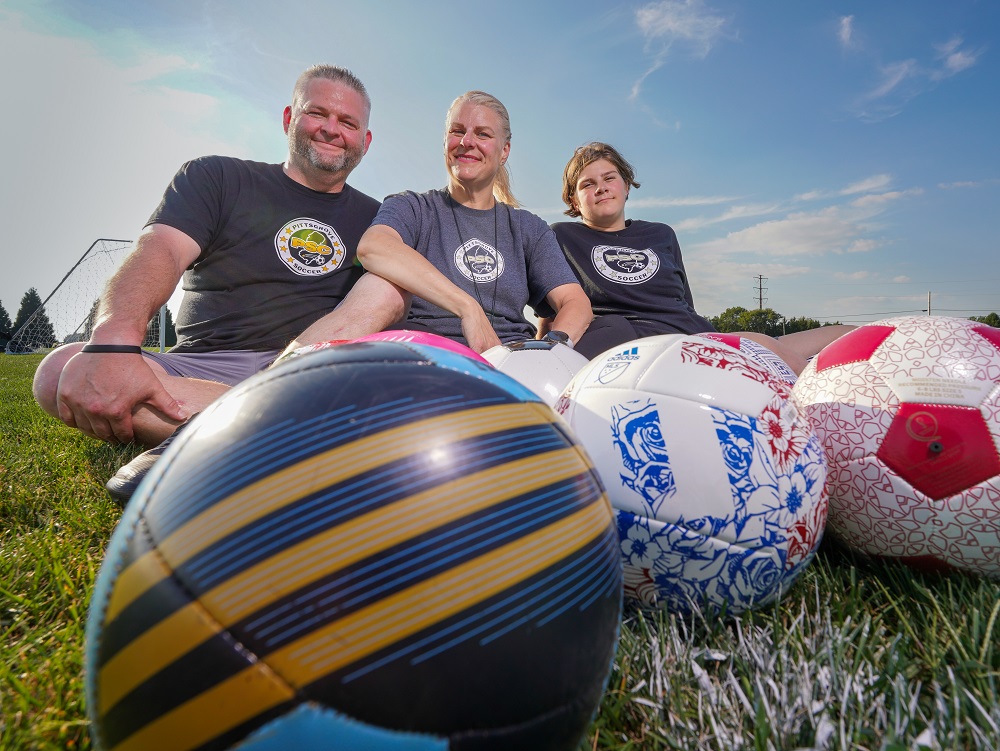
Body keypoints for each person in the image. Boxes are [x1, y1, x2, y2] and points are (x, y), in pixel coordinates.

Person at [32, 64, 408, 501]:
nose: (330, 129)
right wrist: (113, 339)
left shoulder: (379, 218)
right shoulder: (217, 177)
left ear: (365, 140)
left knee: (389, 294)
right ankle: (287, 432)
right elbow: (162, 250)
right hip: (201, 367)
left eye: (347, 122)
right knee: (59, 372)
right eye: (316, 113)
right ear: (289, 119)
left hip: (311, 365)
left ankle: (236, 429)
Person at [547, 142, 852, 369]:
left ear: (626, 185)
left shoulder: (661, 233)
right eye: (588, 184)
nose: (601, 188)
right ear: (573, 199)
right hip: (626, 342)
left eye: (609, 178)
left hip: (691, 335)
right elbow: (554, 309)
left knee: (803, 345)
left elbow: (684, 304)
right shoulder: (561, 235)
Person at [351, 90, 591, 353]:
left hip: (510, 357)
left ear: (504, 151)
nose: (467, 141)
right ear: (444, 141)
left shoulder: (528, 228)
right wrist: (468, 308)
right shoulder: (413, 207)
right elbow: (373, 247)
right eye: (457, 131)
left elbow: (575, 301)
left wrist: (550, 349)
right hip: (426, 353)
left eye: (483, 134)